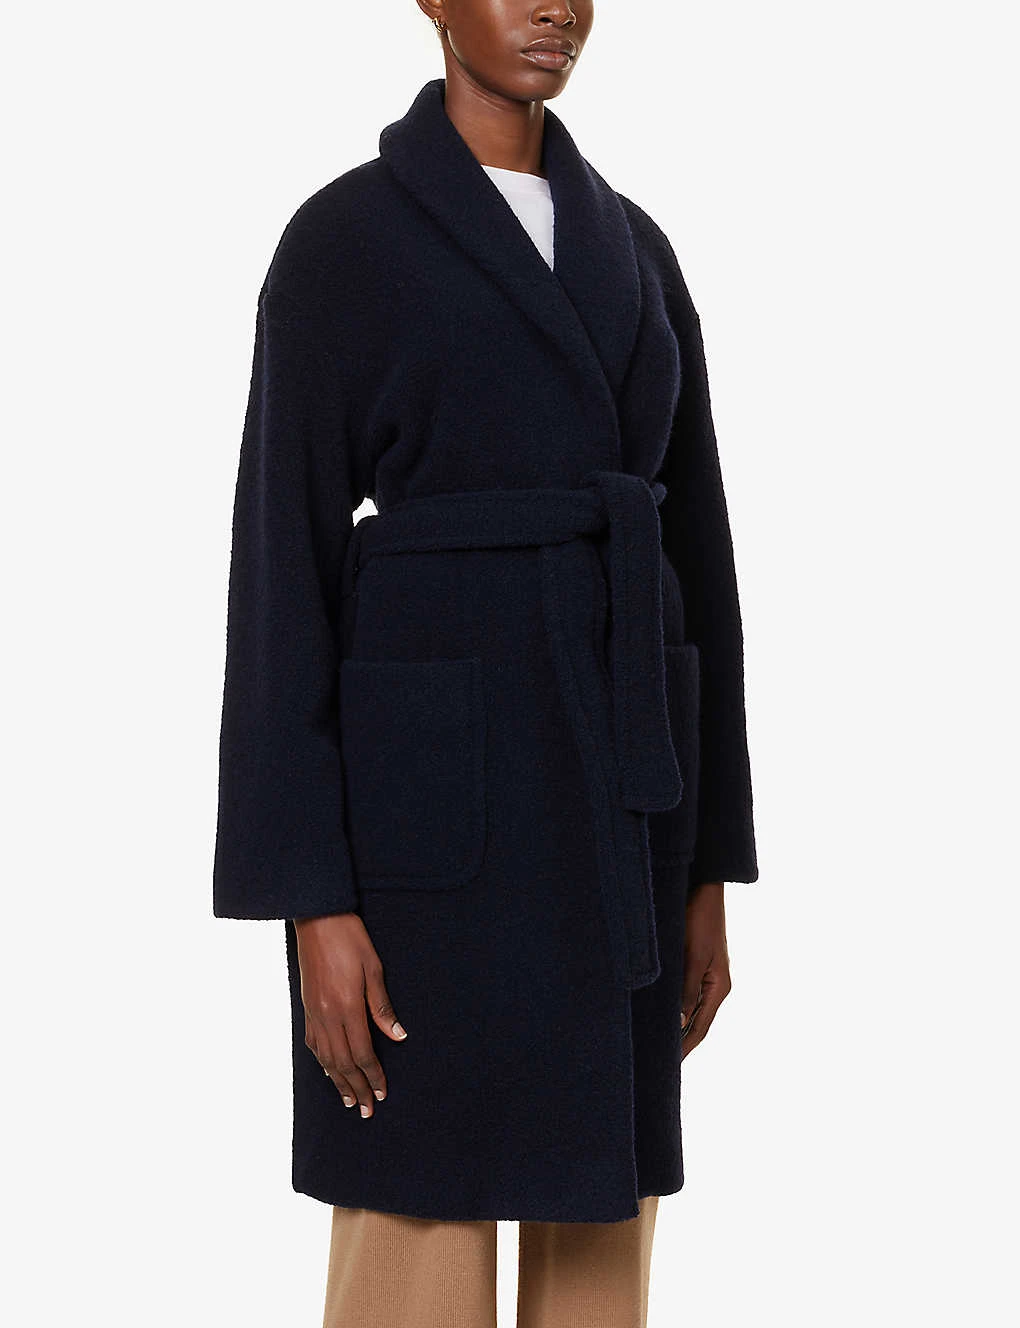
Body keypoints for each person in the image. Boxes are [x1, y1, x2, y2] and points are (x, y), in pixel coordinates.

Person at [212, 3, 758, 1324]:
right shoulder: (341, 242)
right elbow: (279, 582)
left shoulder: (638, 250)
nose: (555, 7)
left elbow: (701, 561)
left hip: (620, 806)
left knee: (599, 1217)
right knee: (417, 1202)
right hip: (425, 817)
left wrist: (706, 867)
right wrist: (310, 901)